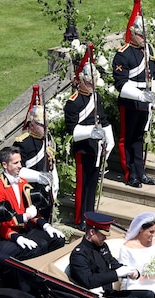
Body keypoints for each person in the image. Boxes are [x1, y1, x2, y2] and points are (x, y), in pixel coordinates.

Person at [0, 146, 64, 255]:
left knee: (58, 239)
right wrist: (25, 218)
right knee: (39, 247)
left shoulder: (23, 182)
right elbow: (1, 223)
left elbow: (33, 211)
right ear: (5, 165)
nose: (20, 166)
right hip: (10, 233)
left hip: (26, 229)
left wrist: (46, 226)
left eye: (20, 162)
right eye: (15, 163)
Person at [64, 60, 113, 227]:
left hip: (97, 147)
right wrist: (91, 131)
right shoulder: (74, 102)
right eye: (88, 82)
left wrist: (109, 139)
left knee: (92, 184)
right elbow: (72, 128)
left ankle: (90, 214)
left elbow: (103, 119)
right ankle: (81, 218)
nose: (92, 86)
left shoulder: (96, 96)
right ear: (82, 81)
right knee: (82, 185)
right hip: (83, 148)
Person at [113, 10, 155, 187]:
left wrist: (154, 97)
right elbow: (121, 84)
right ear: (132, 33)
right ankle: (129, 173)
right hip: (130, 100)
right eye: (140, 35)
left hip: (145, 100)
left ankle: (141, 171)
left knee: (139, 137)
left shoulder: (148, 49)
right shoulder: (123, 54)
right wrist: (141, 95)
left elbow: (153, 75)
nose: (143, 38)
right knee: (128, 138)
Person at [67, 212, 155, 298]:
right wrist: (116, 274)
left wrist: (131, 272)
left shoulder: (102, 246)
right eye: (103, 235)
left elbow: (113, 264)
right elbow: (88, 280)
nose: (105, 238)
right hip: (94, 297)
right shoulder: (79, 254)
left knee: (148, 295)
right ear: (92, 232)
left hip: (108, 293)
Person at [13, 104, 59, 218]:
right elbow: (17, 170)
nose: (46, 128)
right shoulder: (23, 143)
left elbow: (51, 164)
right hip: (31, 190)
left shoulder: (48, 140)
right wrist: (38, 176)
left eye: (46, 125)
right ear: (32, 124)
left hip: (46, 189)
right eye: (42, 125)